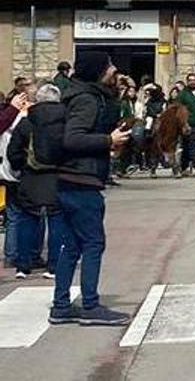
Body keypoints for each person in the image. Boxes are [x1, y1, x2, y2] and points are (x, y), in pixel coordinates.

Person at [52, 50, 132, 326]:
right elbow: (72, 139)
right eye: (109, 65)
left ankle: (61, 306)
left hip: (70, 180)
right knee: (93, 243)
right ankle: (90, 305)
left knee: (72, 246)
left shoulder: (78, 94)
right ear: (99, 71)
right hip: (81, 182)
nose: (114, 70)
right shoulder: (86, 99)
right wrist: (107, 140)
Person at [6, 82, 69, 281]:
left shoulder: (26, 122)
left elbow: (13, 152)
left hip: (31, 176)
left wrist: (20, 167)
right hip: (58, 176)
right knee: (57, 221)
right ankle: (53, 265)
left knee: (27, 219)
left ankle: (23, 266)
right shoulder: (66, 121)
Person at [1, 89, 33, 272]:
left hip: (8, 170)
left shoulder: (11, 116)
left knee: (14, 216)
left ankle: (12, 255)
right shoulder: (24, 118)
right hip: (22, 170)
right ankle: (26, 255)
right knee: (29, 216)